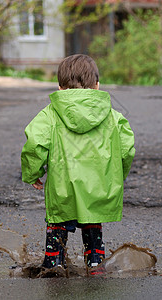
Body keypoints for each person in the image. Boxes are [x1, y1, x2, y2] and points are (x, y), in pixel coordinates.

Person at [21, 54, 135, 269]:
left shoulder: (49, 115)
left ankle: (53, 264)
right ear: (97, 85)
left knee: (57, 226)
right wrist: (118, 176)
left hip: (62, 190)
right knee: (92, 225)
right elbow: (127, 151)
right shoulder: (114, 117)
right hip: (98, 188)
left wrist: (32, 173)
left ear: (60, 87)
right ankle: (95, 263)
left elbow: (35, 144)